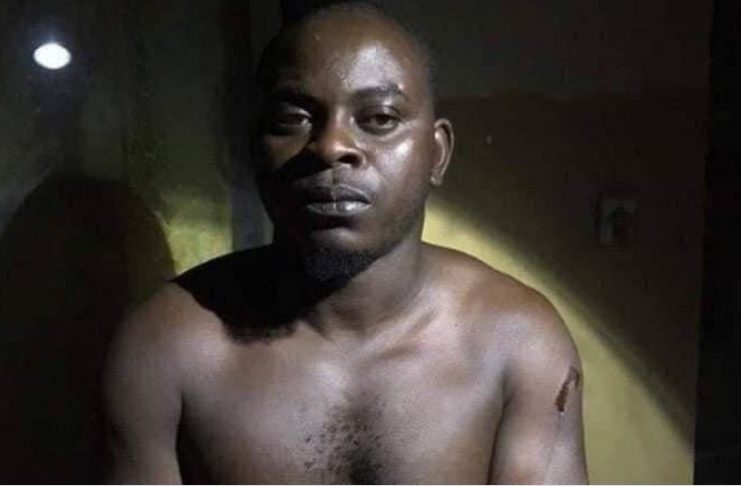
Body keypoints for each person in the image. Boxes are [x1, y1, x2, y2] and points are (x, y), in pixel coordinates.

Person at [104, 2, 588, 483]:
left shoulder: (518, 340)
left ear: (436, 153)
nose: (331, 145)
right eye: (292, 118)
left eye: (378, 118)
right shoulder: (167, 347)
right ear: (254, 147)